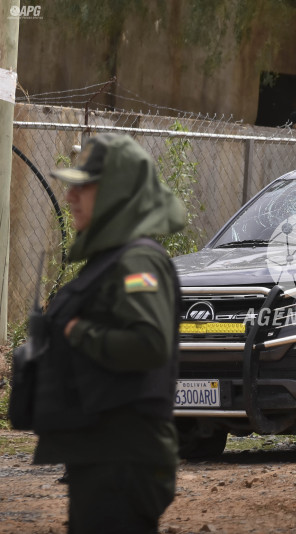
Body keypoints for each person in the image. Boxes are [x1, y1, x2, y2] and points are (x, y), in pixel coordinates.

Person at [31, 133, 186, 533]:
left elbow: (150, 343)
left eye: (83, 186)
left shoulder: (138, 263)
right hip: (104, 453)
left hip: (125, 459)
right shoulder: (111, 260)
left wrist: (79, 331)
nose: (70, 197)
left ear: (117, 192)